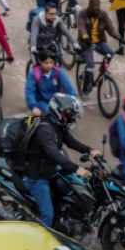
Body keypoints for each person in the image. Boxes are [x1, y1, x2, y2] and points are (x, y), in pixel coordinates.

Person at [22, 94, 97, 227]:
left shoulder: (57, 125)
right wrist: (76, 168)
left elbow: (71, 142)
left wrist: (90, 150)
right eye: (72, 116)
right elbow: (54, 154)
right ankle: (40, 243)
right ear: (62, 114)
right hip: (37, 177)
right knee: (48, 214)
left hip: (49, 169)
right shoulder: (45, 129)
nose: (74, 118)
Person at [77, 0, 122, 97]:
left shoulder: (103, 14)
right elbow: (81, 28)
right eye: (94, 9)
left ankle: (102, 70)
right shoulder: (82, 14)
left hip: (99, 41)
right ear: (90, 7)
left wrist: (119, 37)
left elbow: (110, 28)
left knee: (110, 53)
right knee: (90, 65)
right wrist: (86, 38)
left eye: (98, 9)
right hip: (86, 43)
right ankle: (85, 89)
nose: (96, 11)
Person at [26, 50, 79, 116]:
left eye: (51, 62)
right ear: (40, 61)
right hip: (41, 100)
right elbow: (30, 91)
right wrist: (33, 106)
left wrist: (75, 101)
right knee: (49, 113)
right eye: (46, 63)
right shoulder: (33, 74)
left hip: (56, 99)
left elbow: (68, 87)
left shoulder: (58, 72)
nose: (49, 65)